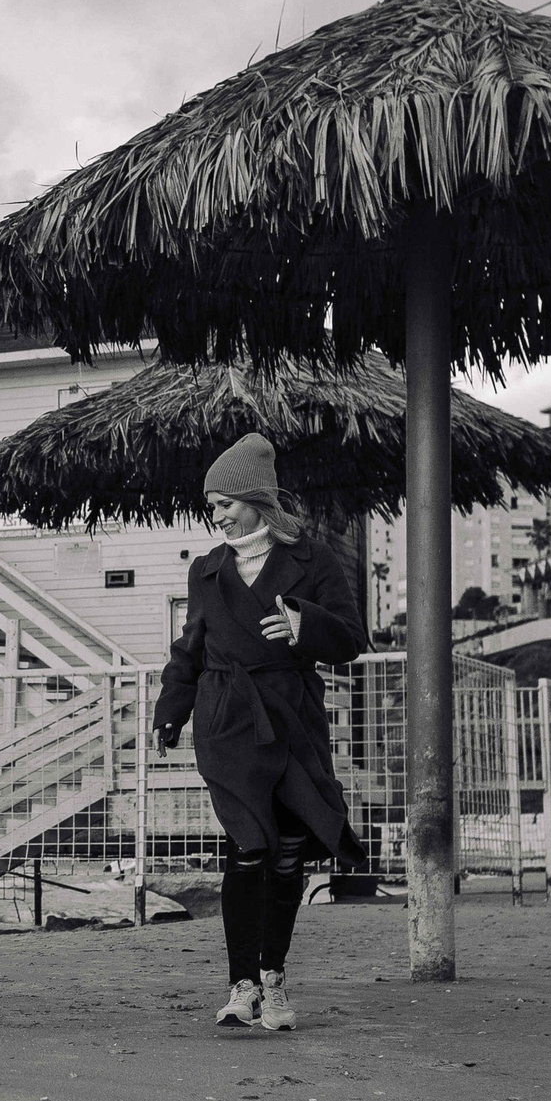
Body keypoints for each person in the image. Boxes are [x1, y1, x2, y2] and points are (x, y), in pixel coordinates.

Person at [154, 434, 365, 1033]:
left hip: (293, 718)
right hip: (227, 720)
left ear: (256, 500)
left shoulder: (313, 559)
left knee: (289, 852)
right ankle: (241, 985)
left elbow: (351, 640)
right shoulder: (206, 571)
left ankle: (274, 980)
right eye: (210, 506)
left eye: (225, 503)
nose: (216, 516)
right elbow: (188, 649)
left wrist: (308, 626)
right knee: (248, 848)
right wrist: (171, 711)